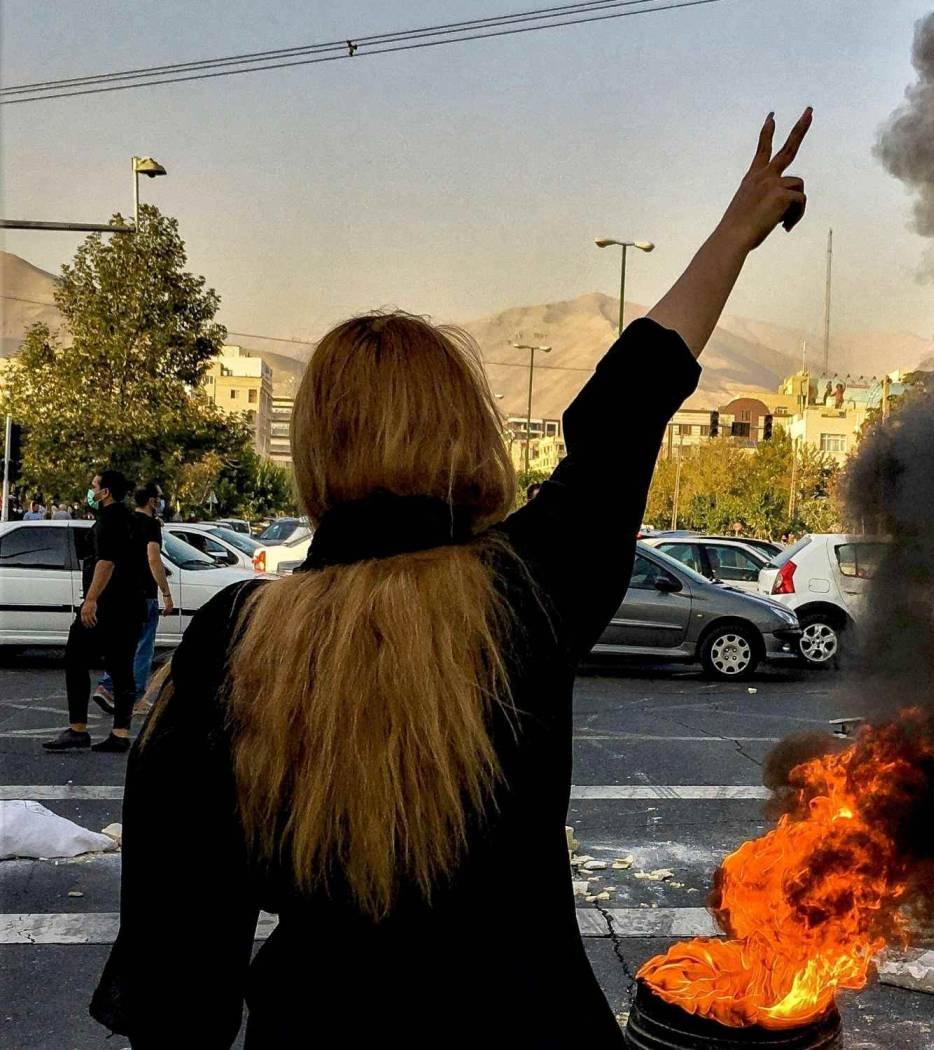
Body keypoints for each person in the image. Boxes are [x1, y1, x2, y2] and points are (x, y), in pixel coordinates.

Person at [91, 107, 812, 1047]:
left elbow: (178, 969)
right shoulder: (526, 589)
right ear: (464, 430)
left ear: (315, 450)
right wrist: (733, 234)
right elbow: (627, 407)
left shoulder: (235, 637)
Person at [43, 470, 149, 753]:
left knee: (75, 658)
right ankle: (120, 733)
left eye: (94, 487)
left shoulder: (109, 521)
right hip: (131, 606)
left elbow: (106, 562)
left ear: (105, 492)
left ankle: (78, 729)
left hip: (108, 607)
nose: (90, 491)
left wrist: (90, 600)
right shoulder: (132, 519)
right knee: (121, 667)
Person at [92, 485, 173, 715]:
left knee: (122, 645)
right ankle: (135, 698)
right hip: (143, 595)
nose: (161, 501)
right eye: (159, 497)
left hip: (120, 592)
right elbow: (153, 558)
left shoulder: (125, 520)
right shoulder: (150, 525)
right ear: (151, 501)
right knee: (143, 647)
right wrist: (165, 592)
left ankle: (107, 685)